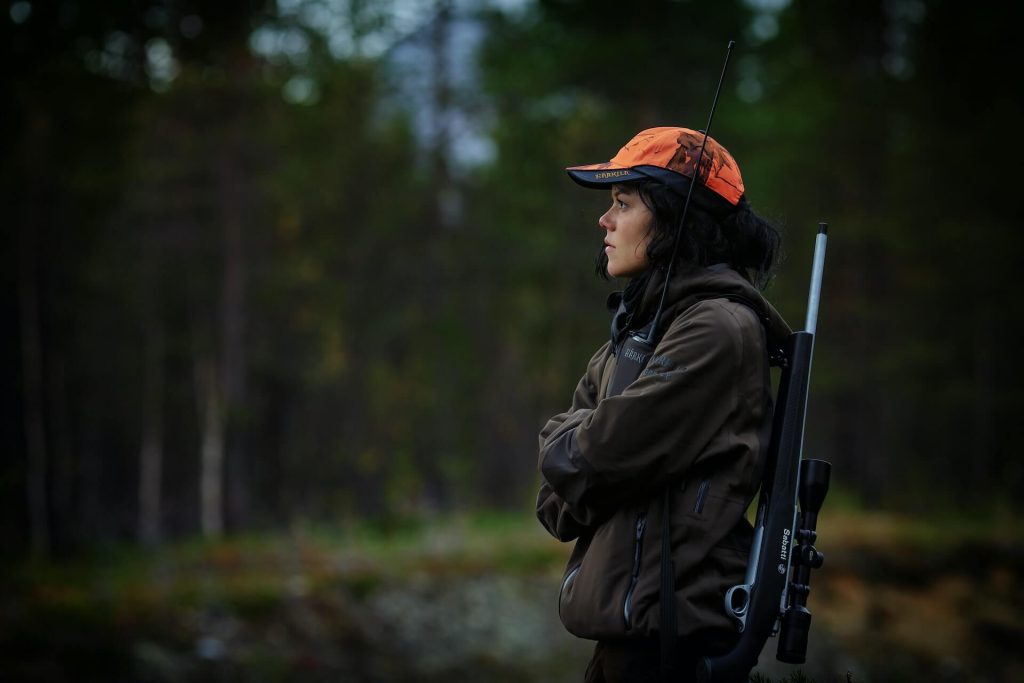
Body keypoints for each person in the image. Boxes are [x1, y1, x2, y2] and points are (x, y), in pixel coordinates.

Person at [535, 127, 791, 682]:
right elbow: (554, 504)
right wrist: (585, 455)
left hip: (671, 641)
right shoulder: (636, 334)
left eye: (623, 205)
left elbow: (594, 455)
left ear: (679, 221)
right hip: (627, 638)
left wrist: (583, 451)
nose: (604, 222)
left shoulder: (716, 327)